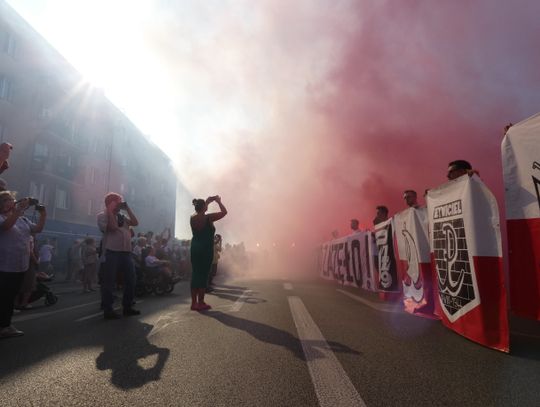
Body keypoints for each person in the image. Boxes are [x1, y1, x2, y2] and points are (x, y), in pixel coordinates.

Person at [0, 192, 46, 338]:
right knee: (4, 296)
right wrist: (19, 209)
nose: (9, 202)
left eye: (10, 200)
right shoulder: (2, 218)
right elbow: (7, 226)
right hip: (4, 265)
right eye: (5, 200)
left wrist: (43, 214)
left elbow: (38, 229)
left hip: (20, 265)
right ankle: (4, 326)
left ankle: (5, 325)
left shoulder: (23, 220)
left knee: (10, 297)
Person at [97, 192, 140, 319]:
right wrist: (110, 211)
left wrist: (127, 208)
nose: (120, 203)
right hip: (111, 251)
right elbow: (113, 227)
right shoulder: (102, 216)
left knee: (131, 280)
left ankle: (127, 306)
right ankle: (108, 309)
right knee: (109, 281)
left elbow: (135, 222)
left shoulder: (122, 216)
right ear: (110, 203)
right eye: (118, 201)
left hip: (126, 252)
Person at [190, 195, 227, 310]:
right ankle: (200, 302)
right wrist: (218, 201)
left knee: (195, 274)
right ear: (204, 208)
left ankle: (193, 303)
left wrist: (207, 203)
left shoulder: (192, 217)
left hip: (195, 248)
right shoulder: (208, 218)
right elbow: (224, 212)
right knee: (203, 276)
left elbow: (200, 213)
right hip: (205, 249)